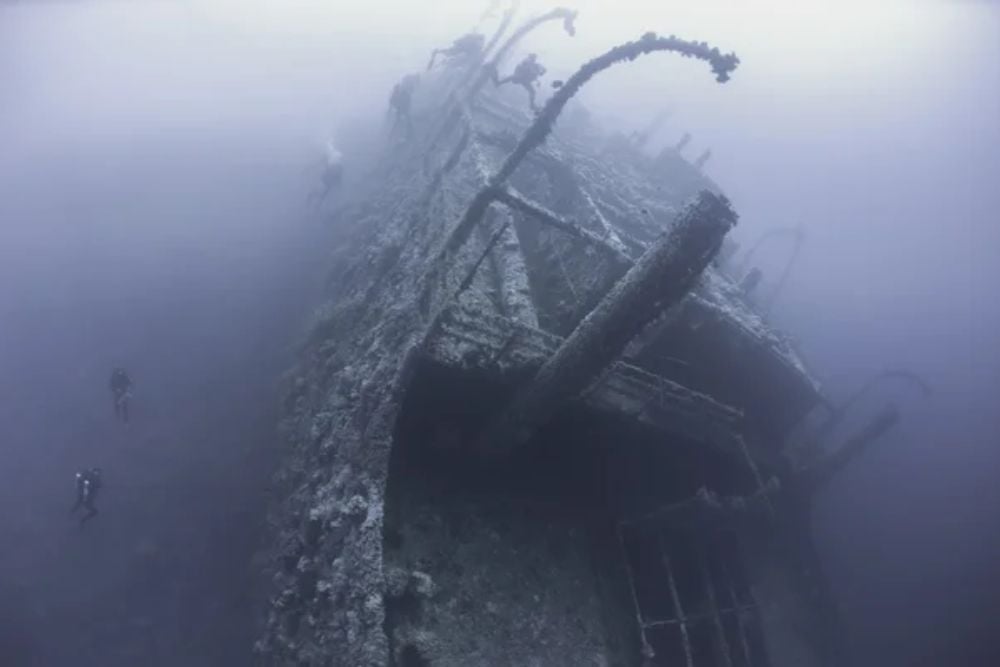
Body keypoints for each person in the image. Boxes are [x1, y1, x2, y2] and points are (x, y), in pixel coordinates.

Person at [308, 141, 344, 208]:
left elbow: (337, 173)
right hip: (328, 177)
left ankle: (314, 199)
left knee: (323, 190)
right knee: (324, 191)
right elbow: (339, 174)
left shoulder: (333, 160)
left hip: (327, 177)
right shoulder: (337, 163)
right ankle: (315, 200)